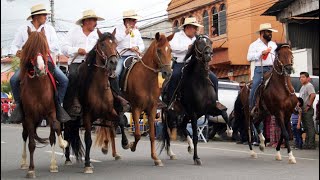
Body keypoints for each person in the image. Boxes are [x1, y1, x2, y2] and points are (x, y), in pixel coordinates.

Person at [8, 4, 69, 123]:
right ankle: (19, 106)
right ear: (36, 16)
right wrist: (17, 51)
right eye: (44, 15)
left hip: (46, 60)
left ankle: (58, 104)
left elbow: (56, 46)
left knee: (64, 80)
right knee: (14, 80)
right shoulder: (23, 29)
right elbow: (13, 46)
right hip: (28, 63)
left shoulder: (49, 29)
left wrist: (43, 46)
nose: (46, 17)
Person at [61, 9, 130, 114]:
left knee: (112, 75)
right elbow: (64, 48)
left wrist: (125, 33)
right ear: (86, 21)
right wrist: (77, 50)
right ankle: (73, 102)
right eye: (94, 20)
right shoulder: (73, 32)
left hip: (94, 64)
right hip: (78, 62)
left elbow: (111, 42)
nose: (96, 23)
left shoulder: (98, 35)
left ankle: (118, 100)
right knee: (73, 76)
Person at [167, 17, 224, 110]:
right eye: (195, 27)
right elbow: (172, 47)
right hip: (181, 63)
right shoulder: (177, 36)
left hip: (196, 64)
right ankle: (171, 102)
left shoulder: (198, 38)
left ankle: (216, 101)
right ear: (188, 27)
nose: (196, 30)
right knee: (175, 76)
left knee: (214, 78)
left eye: (196, 28)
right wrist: (187, 47)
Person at [247, 23, 278, 114]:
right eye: (268, 32)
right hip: (260, 69)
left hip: (273, 69)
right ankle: (251, 107)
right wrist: (261, 53)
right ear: (262, 33)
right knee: (256, 85)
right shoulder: (254, 45)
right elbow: (249, 58)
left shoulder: (273, 44)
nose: (270, 34)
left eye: (270, 32)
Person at [114, 9, 145, 81]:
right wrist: (125, 33)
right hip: (122, 56)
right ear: (127, 21)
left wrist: (137, 47)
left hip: (135, 56)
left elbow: (142, 45)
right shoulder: (117, 29)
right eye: (134, 20)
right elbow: (115, 41)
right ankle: (116, 91)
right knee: (116, 72)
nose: (135, 22)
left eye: (135, 20)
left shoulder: (136, 31)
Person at [299, 72, 316, 149]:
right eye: (300, 77)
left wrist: (309, 105)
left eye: (303, 77)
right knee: (306, 128)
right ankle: (307, 143)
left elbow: (313, 95)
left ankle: (311, 144)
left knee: (310, 127)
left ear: (307, 78)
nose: (301, 79)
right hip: (302, 110)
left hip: (307, 110)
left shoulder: (309, 85)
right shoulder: (302, 87)